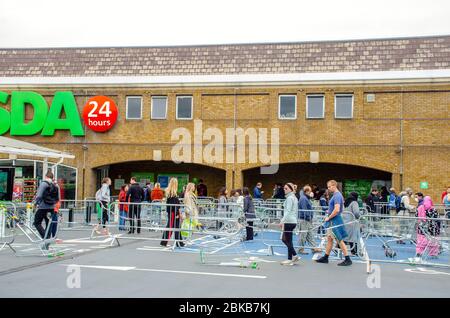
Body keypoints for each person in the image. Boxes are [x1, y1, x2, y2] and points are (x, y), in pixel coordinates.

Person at [316, 180, 352, 266]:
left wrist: (328, 217)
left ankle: (347, 259)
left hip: (334, 221)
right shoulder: (337, 195)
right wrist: (329, 212)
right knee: (329, 239)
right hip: (333, 220)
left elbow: (337, 210)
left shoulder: (337, 195)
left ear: (334, 186)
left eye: (329, 187)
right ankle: (326, 257)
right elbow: (336, 209)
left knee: (339, 240)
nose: (328, 189)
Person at [34, 171, 60, 243]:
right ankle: (47, 239)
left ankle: (45, 237)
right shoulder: (55, 185)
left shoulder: (43, 184)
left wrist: (35, 203)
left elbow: (39, 196)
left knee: (36, 222)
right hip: (52, 207)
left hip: (43, 207)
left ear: (46, 177)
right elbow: (57, 198)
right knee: (49, 223)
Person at [160, 178, 184, 247]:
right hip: (173, 213)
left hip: (172, 212)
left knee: (176, 227)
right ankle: (164, 242)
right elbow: (174, 205)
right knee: (170, 227)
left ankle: (179, 242)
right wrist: (177, 213)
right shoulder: (172, 194)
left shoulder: (171, 193)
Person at [297, 185, 321, 254]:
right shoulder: (304, 198)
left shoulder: (306, 198)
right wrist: (309, 217)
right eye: (310, 191)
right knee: (303, 235)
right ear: (307, 191)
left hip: (307, 219)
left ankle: (314, 248)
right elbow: (305, 209)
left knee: (310, 234)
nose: (311, 192)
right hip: (304, 219)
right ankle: (300, 249)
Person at [280, 183, 299, 265]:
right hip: (292, 221)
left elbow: (287, 211)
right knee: (288, 240)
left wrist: (282, 221)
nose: (284, 189)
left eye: (286, 188)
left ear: (291, 189)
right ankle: (290, 258)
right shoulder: (294, 198)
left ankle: (294, 255)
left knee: (285, 239)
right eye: (284, 188)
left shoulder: (290, 198)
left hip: (289, 221)